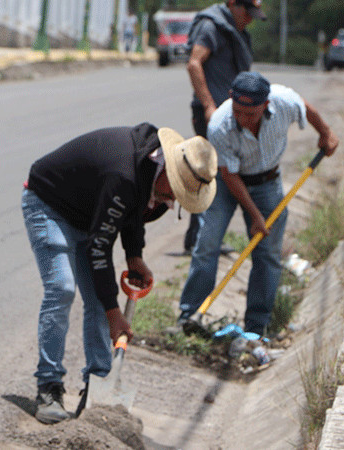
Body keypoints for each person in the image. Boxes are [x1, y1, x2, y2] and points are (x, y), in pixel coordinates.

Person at [22, 123, 217, 424]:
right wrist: (115, 314)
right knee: (62, 289)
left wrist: (134, 256)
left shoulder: (150, 173)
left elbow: (132, 213)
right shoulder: (124, 175)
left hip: (88, 215)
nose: (174, 201)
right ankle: (48, 386)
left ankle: (97, 386)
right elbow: (99, 247)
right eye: (177, 190)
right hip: (49, 205)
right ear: (167, 170)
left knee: (101, 300)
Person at [177, 71, 339, 337]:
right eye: (238, 111)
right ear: (231, 99)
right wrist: (255, 216)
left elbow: (305, 108)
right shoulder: (219, 124)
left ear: (265, 105)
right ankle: (189, 316)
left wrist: (326, 132)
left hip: (267, 182)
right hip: (226, 183)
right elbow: (229, 174)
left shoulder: (284, 101)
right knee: (207, 244)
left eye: (250, 114)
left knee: (268, 253)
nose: (242, 119)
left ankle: (256, 326)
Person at [182, 0, 265, 254]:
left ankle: (200, 236)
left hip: (230, 114)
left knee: (215, 174)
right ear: (232, 4)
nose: (249, 19)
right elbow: (194, 63)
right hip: (211, 114)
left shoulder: (235, 31)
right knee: (207, 173)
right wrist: (209, 106)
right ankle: (198, 239)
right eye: (246, 12)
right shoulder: (211, 26)